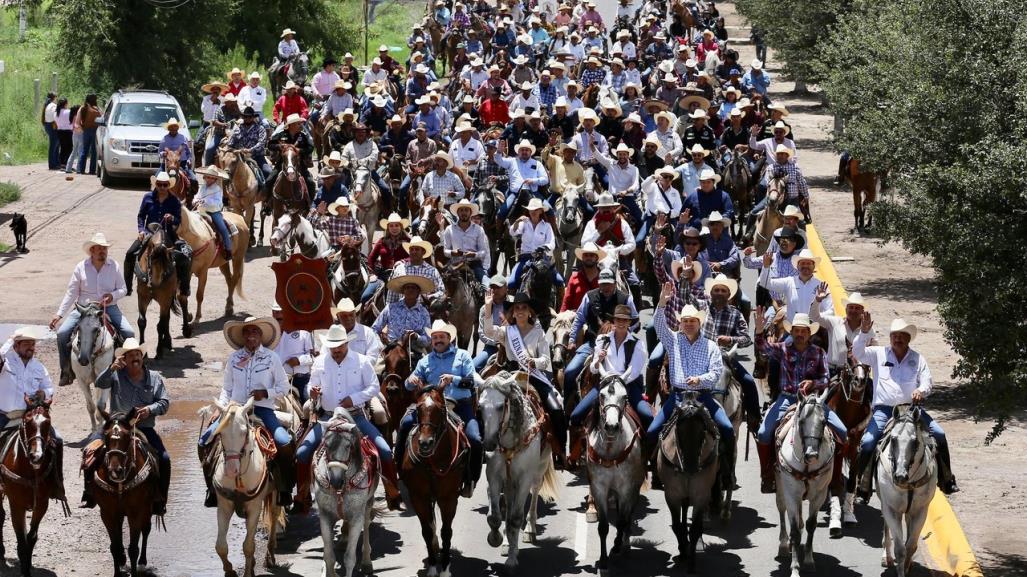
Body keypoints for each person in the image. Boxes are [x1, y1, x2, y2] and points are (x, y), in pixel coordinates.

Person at [850, 315, 959, 496]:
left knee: (939, 434)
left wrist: (921, 391)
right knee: (868, 443)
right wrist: (863, 332)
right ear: (890, 337)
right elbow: (858, 352)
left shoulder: (917, 358)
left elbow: (927, 382)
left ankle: (947, 479)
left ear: (908, 339)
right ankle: (863, 486)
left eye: (902, 336)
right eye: (894, 335)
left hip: (911, 409)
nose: (897, 339)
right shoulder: (878, 353)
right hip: (884, 411)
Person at [298, 325, 404, 509]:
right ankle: (302, 496)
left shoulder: (361, 361)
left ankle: (392, 493)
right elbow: (311, 385)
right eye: (333, 346)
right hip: (327, 418)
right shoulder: (320, 362)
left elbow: (373, 387)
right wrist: (313, 392)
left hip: (356, 417)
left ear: (347, 343)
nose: (336, 350)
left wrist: (353, 399)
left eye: (339, 346)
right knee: (301, 453)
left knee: (385, 450)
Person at [199, 316, 294, 507]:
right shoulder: (234, 358)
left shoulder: (271, 358)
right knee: (205, 441)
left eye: (255, 332)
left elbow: (284, 387)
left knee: (285, 443)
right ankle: (211, 489)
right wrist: (221, 409)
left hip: (263, 409)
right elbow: (226, 388)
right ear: (243, 336)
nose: (251, 336)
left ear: (261, 335)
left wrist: (265, 393)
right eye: (247, 332)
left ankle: (285, 490)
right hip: (234, 409)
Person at [649, 285, 734, 488]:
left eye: (692, 321)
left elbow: (715, 374)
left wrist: (699, 380)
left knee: (728, 429)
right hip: (677, 397)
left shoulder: (711, 346)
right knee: (652, 431)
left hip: (703, 398)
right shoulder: (673, 340)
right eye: (685, 321)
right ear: (680, 323)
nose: (688, 324)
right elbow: (658, 325)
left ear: (699, 323)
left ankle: (726, 473)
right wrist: (661, 303)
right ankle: (654, 471)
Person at [754, 309, 847, 493]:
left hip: (813, 401)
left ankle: (835, 478)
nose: (799, 334)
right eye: (796, 330)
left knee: (842, 432)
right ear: (792, 332)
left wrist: (813, 383)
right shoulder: (782, 349)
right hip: (787, 399)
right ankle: (767, 475)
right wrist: (758, 330)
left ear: (809, 333)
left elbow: (826, 379)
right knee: (764, 433)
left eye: (803, 331)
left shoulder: (819, 352)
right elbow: (763, 347)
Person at [84, 338, 171, 514]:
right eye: (130, 355)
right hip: (115, 426)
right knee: (89, 451)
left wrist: (149, 409)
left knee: (164, 459)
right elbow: (99, 384)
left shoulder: (154, 378)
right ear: (124, 358)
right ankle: (89, 493)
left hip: (143, 428)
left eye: (137, 354)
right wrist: (110, 369)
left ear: (142, 356)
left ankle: (160, 498)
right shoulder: (116, 374)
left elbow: (164, 402)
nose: (135, 358)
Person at [481, 293, 567, 468]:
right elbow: (488, 331)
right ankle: (486, 445)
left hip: (533, 377)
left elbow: (545, 360)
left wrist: (533, 362)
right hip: (511, 376)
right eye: (517, 308)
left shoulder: (538, 332)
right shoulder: (507, 331)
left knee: (557, 408)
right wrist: (488, 307)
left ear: (530, 312)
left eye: (524, 308)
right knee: (487, 402)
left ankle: (560, 452)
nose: (520, 311)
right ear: (512, 312)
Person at [396, 320, 482, 495]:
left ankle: (470, 479)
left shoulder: (463, 356)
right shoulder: (424, 361)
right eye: (435, 337)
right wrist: (410, 381)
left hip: (459, 405)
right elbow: (407, 386)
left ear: (449, 338)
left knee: (475, 438)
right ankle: (400, 471)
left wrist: (454, 379)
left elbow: (472, 382)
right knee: (405, 424)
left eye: (442, 337)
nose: (438, 340)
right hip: (430, 407)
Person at [52, 232, 135, 386]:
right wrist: (59, 314)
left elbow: (123, 289)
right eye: (99, 249)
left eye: (104, 248)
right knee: (63, 333)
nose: (103, 251)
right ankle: (66, 371)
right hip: (83, 309)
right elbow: (71, 293)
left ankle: (128, 369)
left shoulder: (114, 266)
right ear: (92, 251)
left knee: (129, 332)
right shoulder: (80, 267)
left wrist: (112, 295)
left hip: (108, 308)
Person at [0, 326, 65, 501]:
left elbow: (48, 388)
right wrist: (9, 341)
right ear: (16, 345)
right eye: (26, 343)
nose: (31, 347)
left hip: (30, 417)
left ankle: (57, 485)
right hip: (4, 416)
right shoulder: (4, 362)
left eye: (33, 343)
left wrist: (43, 394)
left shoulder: (38, 367)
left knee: (57, 439)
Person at [569, 304, 653, 432]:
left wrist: (618, 382)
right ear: (614, 321)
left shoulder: (638, 344)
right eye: (618, 320)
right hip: (604, 384)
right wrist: (598, 360)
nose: (621, 323)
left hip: (628, 385)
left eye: (625, 320)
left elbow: (634, 370)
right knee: (576, 415)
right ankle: (577, 449)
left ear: (629, 322)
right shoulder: (602, 340)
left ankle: (647, 449)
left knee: (647, 416)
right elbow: (593, 369)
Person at [563, 268, 639, 399]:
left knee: (632, 374)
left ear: (615, 283)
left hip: (620, 345)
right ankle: (567, 408)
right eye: (603, 284)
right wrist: (571, 340)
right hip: (592, 343)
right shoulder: (589, 296)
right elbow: (579, 319)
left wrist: (622, 330)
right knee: (570, 372)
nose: (606, 287)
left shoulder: (626, 299)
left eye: (609, 284)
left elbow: (636, 321)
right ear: (598, 283)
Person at [702, 274, 760, 429]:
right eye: (716, 290)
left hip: (726, 357)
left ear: (729, 294)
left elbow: (746, 338)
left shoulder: (735, 313)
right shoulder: (703, 307)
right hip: (702, 356)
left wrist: (730, 339)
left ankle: (754, 419)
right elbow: (686, 296)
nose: (719, 293)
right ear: (711, 292)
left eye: (723, 290)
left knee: (748, 381)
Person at [123, 172, 193, 300]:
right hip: (149, 234)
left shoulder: (174, 201)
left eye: (164, 185)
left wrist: (172, 218)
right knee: (129, 254)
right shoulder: (147, 197)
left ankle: (184, 287)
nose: (162, 187)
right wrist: (141, 230)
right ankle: (127, 287)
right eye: (159, 184)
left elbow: (178, 220)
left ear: (168, 186)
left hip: (168, 235)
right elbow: (141, 216)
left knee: (185, 256)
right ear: (155, 185)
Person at [809, 289, 874, 378]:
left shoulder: (868, 329)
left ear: (862, 311)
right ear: (846, 309)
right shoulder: (834, 322)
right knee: (820, 391)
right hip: (833, 372)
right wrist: (817, 300)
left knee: (872, 391)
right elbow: (814, 317)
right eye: (851, 307)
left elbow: (875, 351)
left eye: (857, 308)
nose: (853, 310)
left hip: (858, 374)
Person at [757, 248, 832, 323]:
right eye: (802, 263)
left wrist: (817, 317)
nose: (805, 266)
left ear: (813, 266)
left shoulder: (822, 286)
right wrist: (766, 267)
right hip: (792, 329)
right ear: (797, 266)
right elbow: (765, 283)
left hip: (814, 329)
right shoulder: (789, 282)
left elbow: (831, 311)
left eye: (809, 263)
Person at [508, 198, 559, 290]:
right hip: (525, 258)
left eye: (536, 209)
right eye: (531, 209)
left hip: (542, 258)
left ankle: (560, 302)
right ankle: (512, 302)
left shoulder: (546, 226)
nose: (533, 211)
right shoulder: (524, 223)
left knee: (559, 281)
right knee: (511, 282)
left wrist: (544, 247)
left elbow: (552, 243)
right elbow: (512, 232)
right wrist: (517, 222)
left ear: (540, 211)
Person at [372, 275, 433, 347]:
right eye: (407, 287)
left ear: (418, 292)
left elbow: (428, 340)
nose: (410, 290)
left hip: (415, 352)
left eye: (413, 288)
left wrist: (417, 337)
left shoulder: (424, 312)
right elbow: (374, 329)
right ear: (403, 291)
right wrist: (380, 346)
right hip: (390, 349)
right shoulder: (390, 308)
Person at [271, 303, 315, 402]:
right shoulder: (269, 333)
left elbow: (313, 356)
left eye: (281, 312)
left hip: (300, 379)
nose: (278, 315)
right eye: (275, 312)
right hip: (276, 379)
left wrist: (299, 361)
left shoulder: (304, 330)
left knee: (308, 403)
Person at [441, 199, 490, 283]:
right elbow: (445, 251)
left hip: (474, 265)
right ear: (457, 213)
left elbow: (483, 252)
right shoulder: (449, 229)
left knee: (487, 286)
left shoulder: (479, 230)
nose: (464, 213)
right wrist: (453, 253)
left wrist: (474, 254)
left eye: (466, 210)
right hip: (455, 265)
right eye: (461, 210)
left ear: (470, 213)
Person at [385, 236, 444, 304]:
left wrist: (430, 297)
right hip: (402, 311)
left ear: (423, 252)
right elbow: (392, 294)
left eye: (417, 249)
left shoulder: (432, 271)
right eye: (412, 249)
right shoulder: (400, 269)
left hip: (424, 311)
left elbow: (441, 291)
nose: (414, 252)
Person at [193, 166, 233, 259]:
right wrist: (195, 200)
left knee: (223, 229)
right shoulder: (202, 187)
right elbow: (197, 196)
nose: (209, 179)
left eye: (212, 178)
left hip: (213, 212)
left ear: (215, 179)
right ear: (204, 177)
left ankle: (228, 249)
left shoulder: (218, 189)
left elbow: (218, 202)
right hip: (201, 210)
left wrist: (205, 201)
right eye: (208, 177)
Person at [474, 274, 512, 371]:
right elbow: (482, 333)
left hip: (514, 346)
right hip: (492, 347)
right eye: (492, 287)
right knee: (473, 367)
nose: (495, 290)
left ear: (506, 288)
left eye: (498, 287)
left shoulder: (514, 304)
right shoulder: (485, 308)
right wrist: (496, 343)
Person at [226, 107, 271, 186]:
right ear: (243, 117)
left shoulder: (260, 129)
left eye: (250, 117)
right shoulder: (238, 129)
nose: (248, 118)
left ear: (253, 117)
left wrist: (250, 150)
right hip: (240, 157)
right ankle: (225, 194)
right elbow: (230, 144)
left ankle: (267, 194)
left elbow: (261, 143)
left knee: (268, 172)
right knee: (226, 173)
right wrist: (235, 150)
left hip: (257, 156)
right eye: (246, 117)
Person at [78, 94, 102, 176]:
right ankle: (92, 170)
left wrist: (83, 128)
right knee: (94, 151)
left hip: (86, 130)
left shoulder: (83, 108)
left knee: (84, 150)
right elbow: (102, 117)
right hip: (95, 131)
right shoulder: (97, 109)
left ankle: (81, 169)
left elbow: (78, 121)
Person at [43, 92, 60, 169]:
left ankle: (56, 163)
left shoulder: (47, 105)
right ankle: (52, 164)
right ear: (54, 98)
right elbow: (55, 116)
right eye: (56, 98)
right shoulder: (53, 106)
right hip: (53, 126)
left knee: (55, 145)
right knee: (54, 146)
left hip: (48, 125)